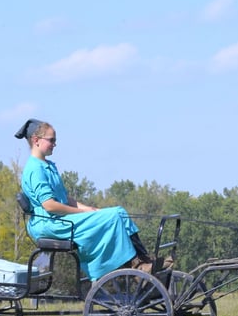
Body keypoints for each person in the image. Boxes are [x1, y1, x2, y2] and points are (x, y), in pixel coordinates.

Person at [17, 118, 154, 281]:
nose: (55, 144)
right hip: (49, 223)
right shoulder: (35, 169)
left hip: (59, 219)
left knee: (119, 212)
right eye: (51, 140)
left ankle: (143, 260)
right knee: (112, 217)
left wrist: (89, 209)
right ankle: (132, 267)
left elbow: (64, 198)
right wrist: (81, 212)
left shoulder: (48, 166)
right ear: (36, 140)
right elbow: (50, 205)